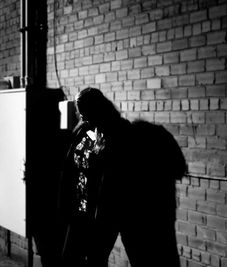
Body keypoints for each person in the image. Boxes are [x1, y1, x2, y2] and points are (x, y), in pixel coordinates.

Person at [58, 87, 186, 267]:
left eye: (85, 112)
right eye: (81, 112)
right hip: (94, 209)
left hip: (109, 209)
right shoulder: (89, 133)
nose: (82, 116)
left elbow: (111, 181)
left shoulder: (118, 134)